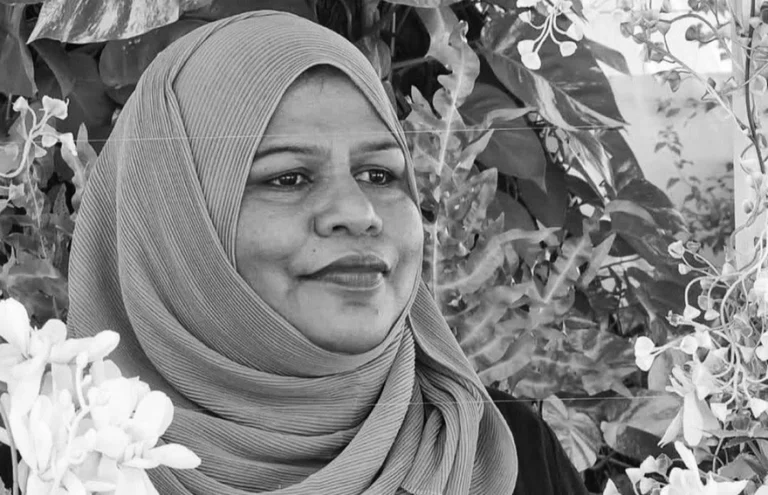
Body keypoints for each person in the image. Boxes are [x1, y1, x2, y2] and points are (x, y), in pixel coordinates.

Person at [52, 10, 590, 495]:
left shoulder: (501, 455)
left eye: (380, 174)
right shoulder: (51, 457)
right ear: (174, 223)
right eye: (288, 178)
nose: (360, 212)